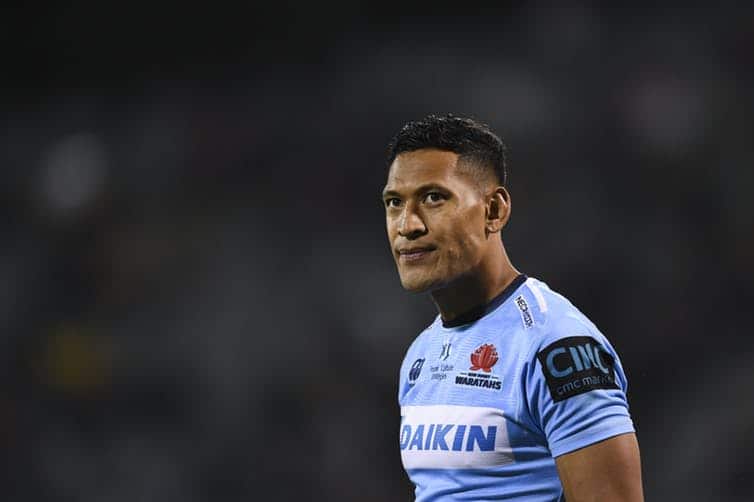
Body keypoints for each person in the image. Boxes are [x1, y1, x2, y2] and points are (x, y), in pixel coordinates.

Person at [383, 114, 643, 501]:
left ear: (494, 210)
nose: (408, 225)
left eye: (434, 198)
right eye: (394, 203)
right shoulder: (421, 355)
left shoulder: (557, 349)